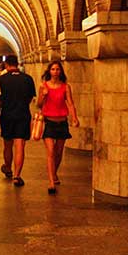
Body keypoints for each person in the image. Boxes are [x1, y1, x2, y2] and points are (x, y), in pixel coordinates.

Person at [36, 61, 80, 194]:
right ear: (49, 71)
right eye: (53, 69)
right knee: (50, 152)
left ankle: (54, 173)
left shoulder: (66, 87)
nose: (55, 72)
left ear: (61, 71)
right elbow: (39, 104)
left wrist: (74, 117)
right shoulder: (43, 86)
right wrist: (43, 95)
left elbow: (70, 104)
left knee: (58, 152)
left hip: (62, 123)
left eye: (57, 69)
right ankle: (51, 182)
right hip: (49, 122)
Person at [0, 55, 35, 187]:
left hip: (7, 115)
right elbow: (31, 98)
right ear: (18, 64)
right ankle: (17, 175)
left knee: (7, 145)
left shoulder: (1, 79)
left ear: (6, 65)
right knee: (20, 145)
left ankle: (8, 167)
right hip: (23, 115)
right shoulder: (28, 79)